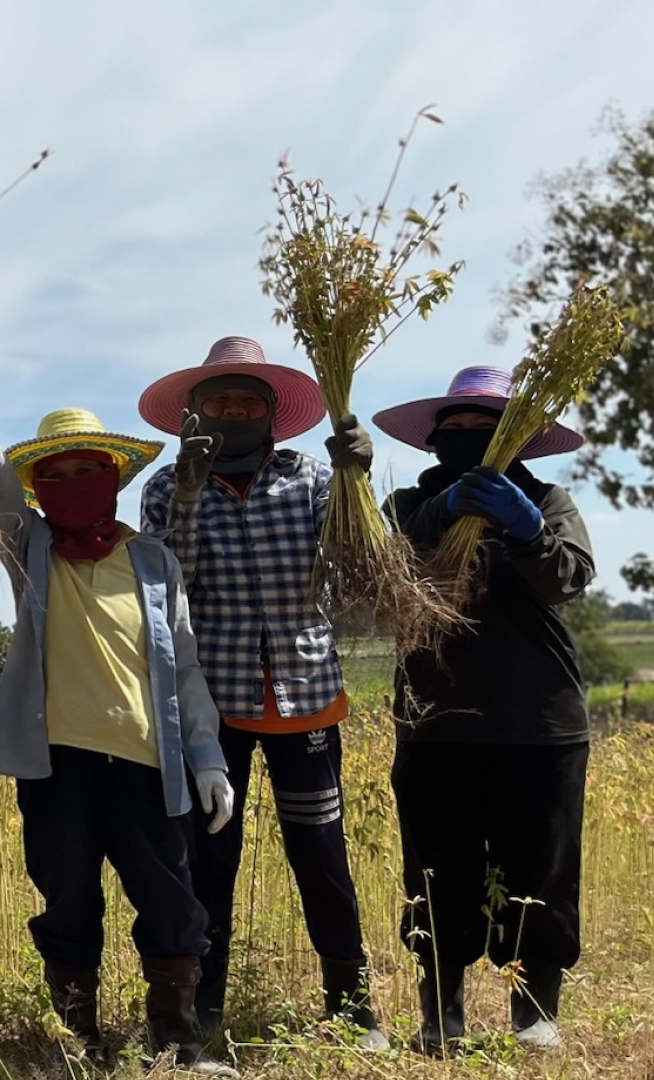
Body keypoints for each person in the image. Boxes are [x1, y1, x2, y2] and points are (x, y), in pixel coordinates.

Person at [0, 326, 239, 1076]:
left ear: (114, 477)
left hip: (146, 764)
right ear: (40, 490)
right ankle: (79, 1042)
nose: (72, 482)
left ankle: (175, 1041)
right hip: (56, 764)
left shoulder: (153, 561)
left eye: (87, 470)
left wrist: (207, 757)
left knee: (171, 902)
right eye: (56, 475)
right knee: (67, 897)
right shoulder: (29, 549)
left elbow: (186, 669)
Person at [133, 336, 387, 1045]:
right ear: (195, 412)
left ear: (273, 410)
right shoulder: (163, 488)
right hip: (215, 706)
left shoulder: (308, 478)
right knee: (210, 860)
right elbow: (168, 588)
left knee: (321, 851)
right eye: (221, 399)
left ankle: (351, 1004)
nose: (235, 408)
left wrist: (357, 484)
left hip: (306, 691)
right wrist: (187, 494)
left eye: (249, 398)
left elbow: (354, 567)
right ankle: (202, 1010)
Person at [374, 366, 596, 1053]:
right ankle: (440, 1012)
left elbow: (569, 579)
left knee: (541, 872)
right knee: (438, 871)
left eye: (486, 428)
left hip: (539, 721)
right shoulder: (408, 505)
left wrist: (526, 529)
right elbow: (383, 581)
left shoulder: (548, 500)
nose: (468, 438)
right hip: (436, 719)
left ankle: (536, 1014)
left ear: (517, 441)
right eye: (455, 429)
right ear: (435, 441)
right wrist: (438, 518)